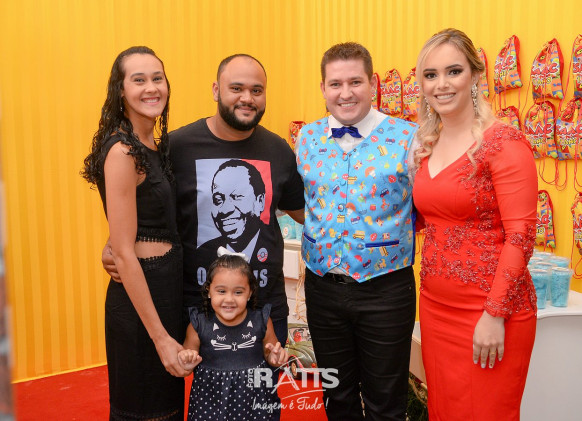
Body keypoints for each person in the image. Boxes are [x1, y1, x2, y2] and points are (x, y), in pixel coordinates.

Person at [103, 53, 304, 351]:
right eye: (236, 88)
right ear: (216, 90)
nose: (247, 98)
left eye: (256, 90)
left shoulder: (279, 150)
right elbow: (150, 206)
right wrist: (115, 245)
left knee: (264, 382)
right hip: (197, 311)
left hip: (265, 312)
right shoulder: (176, 147)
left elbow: (306, 214)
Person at [411, 28, 537, 420]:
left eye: (453, 71)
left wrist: (494, 314)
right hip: (435, 308)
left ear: (475, 75)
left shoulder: (503, 142)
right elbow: (429, 220)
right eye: (431, 75)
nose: (442, 84)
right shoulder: (427, 145)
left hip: (491, 312)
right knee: (443, 411)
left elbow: (521, 236)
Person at [295, 42, 417, 420]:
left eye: (355, 82)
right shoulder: (306, 138)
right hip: (323, 289)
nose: (345, 93)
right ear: (323, 88)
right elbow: (301, 201)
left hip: (386, 291)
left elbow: (429, 207)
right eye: (335, 84)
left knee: (386, 403)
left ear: (372, 83)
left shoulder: (409, 137)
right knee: (337, 398)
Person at [82, 46, 187, 420]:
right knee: (145, 412)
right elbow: (124, 251)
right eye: (138, 80)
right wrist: (161, 338)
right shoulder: (123, 151)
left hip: (166, 294)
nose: (151, 87)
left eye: (157, 78)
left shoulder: (152, 146)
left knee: (167, 409)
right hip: (141, 304)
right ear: (121, 90)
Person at [178, 254, 288, 420]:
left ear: (250, 293)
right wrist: (186, 359)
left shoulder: (262, 320)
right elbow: (185, 362)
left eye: (238, 292)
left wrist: (275, 357)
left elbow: (271, 354)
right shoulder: (198, 325)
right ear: (209, 291)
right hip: (210, 405)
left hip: (254, 405)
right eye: (221, 291)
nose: (229, 299)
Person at [199, 159, 270, 267]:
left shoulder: (270, 244)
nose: (225, 210)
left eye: (237, 197)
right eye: (218, 200)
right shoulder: (203, 252)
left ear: (259, 201)